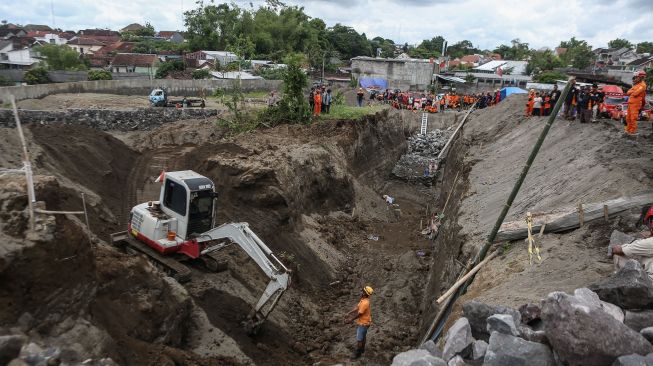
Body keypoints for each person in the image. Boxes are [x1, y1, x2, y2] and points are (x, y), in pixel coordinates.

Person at [610, 205, 653, 280]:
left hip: (650, 284)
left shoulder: (650, 243)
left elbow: (617, 250)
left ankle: (620, 284)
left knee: (618, 255)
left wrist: (642, 241)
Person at [345, 286, 374, 359]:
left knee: (359, 339)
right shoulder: (363, 300)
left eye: (363, 291)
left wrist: (351, 319)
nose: (361, 292)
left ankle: (358, 353)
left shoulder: (365, 303)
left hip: (363, 324)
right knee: (363, 336)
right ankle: (362, 349)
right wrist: (349, 312)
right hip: (366, 322)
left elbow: (360, 314)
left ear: (365, 293)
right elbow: (357, 308)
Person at [624, 70, 647, 136]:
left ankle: (632, 131)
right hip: (631, 103)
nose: (635, 78)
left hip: (636, 104)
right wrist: (633, 91)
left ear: (641, 77)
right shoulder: (636, 85)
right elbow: (628, 92)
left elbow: (635, 94)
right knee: (628, 118)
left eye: (637, 77)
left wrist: (633, 91)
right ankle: (628, 130)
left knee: (633, 118)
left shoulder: (643, 85)